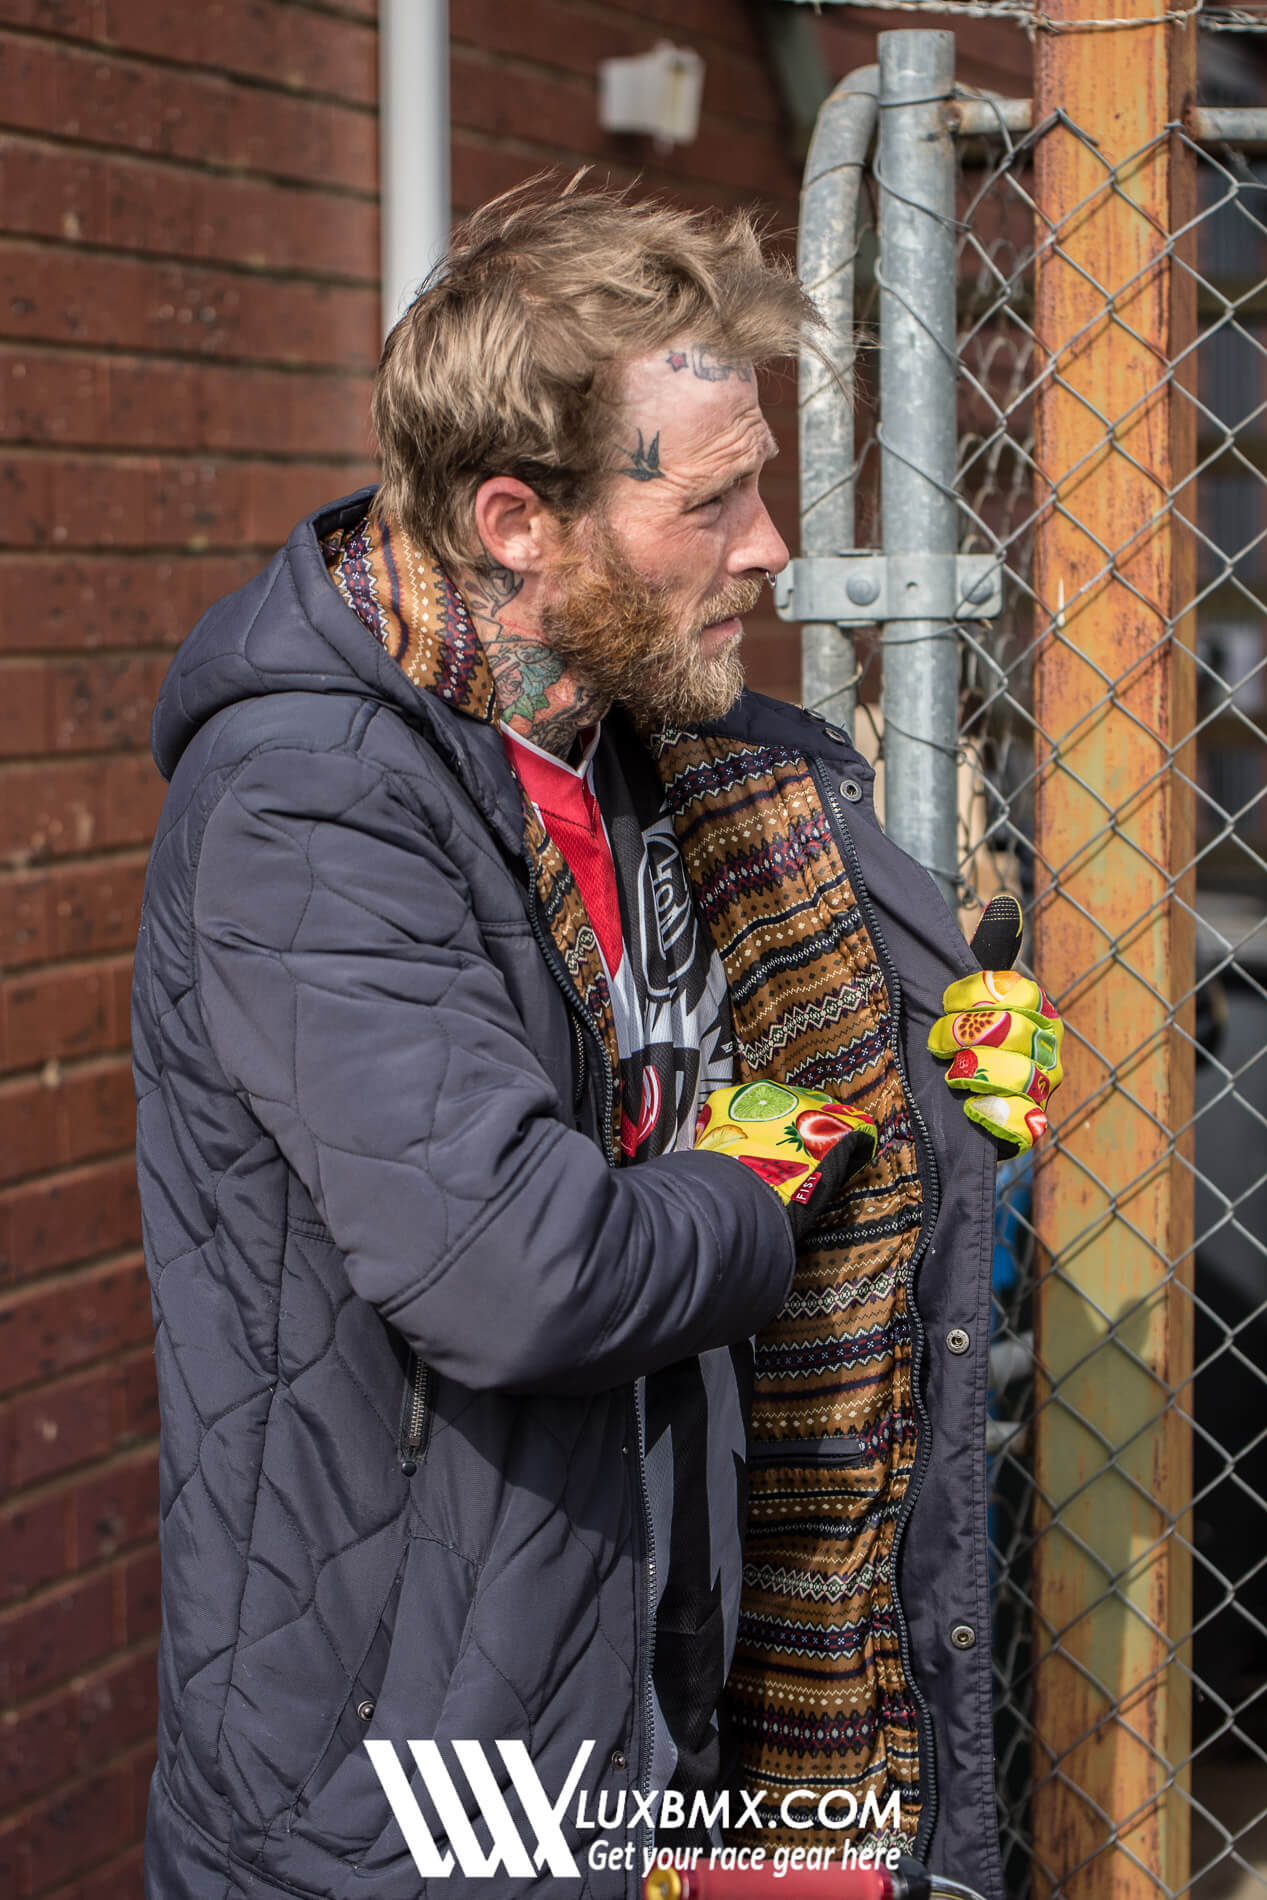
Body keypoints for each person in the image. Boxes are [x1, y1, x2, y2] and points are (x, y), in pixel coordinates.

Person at [133, 180, 1062, 1900]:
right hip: (405, 1798)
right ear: (515, 522)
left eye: (762, 486)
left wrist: (932, 1094)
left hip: (648, 1719)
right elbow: (524, 1270)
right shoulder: (310, 808)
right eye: (714, 503)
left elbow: (759, 1086)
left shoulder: (660, 763)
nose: (771, 548)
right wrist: (774, 1166)